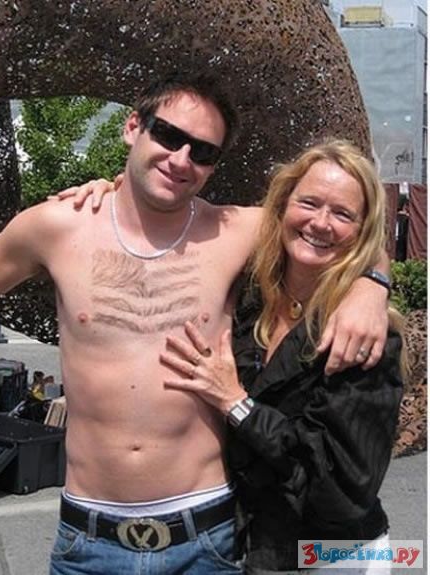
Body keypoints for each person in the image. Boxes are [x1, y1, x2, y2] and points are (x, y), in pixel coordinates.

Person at [0, 73, 390, 575]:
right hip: (88, 539)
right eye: (167, 134)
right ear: (132, 127)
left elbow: (340, 233)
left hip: (206, 538)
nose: (181, 159)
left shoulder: (233, 230)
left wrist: (371, 288)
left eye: (202, 152)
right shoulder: (57, 226)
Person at [157, 140, 403, 574]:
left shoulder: (361, 337)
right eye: (309, 203)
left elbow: (339, 491)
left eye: (343, 214)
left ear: (362, 231)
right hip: (245, 546)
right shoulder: (250, 292)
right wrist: (111, 192)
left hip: (332, 555)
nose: (320, 223)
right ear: (283, 204)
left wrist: (237, 404)